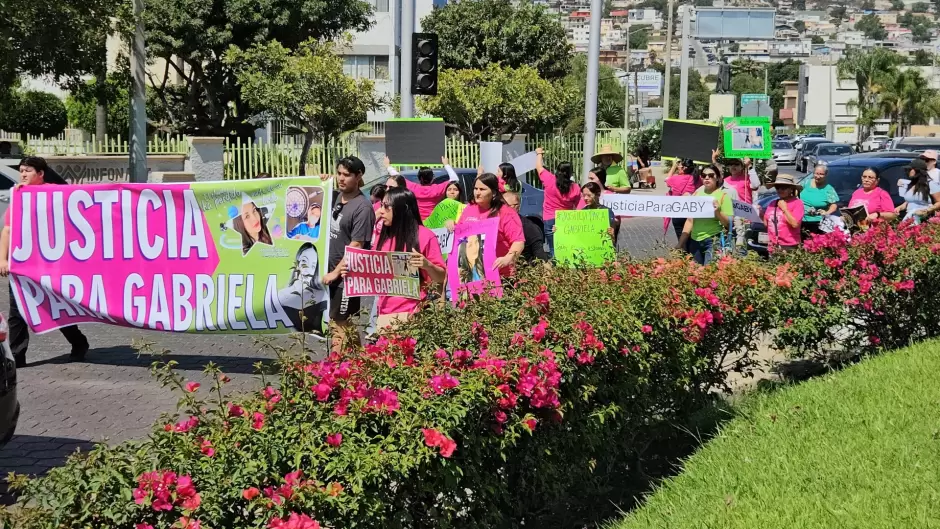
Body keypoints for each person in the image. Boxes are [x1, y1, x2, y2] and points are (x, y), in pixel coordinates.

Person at [0, 156, 90, 367]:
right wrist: (3, 258)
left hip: (49, 264)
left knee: (54, 306)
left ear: (40, 174)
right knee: (18, 310)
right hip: (22, 264)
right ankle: (17, 356)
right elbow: (7, 230)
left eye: (28, 170)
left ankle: (78, 343)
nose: (23, 174)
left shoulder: (55, 193)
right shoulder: (19, 196)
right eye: (21, 170)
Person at [341, 187, 446, 330]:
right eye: (381, 205)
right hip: (384, 314)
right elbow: (374, 272)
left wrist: (427, 265)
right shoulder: (382, 235)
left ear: (402, 209)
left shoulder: (425, 236)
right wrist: (352, 273)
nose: (381, 210)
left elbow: (441, 277)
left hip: (415, 315)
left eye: (386, 206)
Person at [322, 156, 376, 351]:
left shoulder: (362, 207)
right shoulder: (336, 196)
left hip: (346, 277)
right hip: (331, 272)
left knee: (339, 323)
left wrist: (335, 273)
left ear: (359, 175)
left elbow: (357, 245)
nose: (341, 178)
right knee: (343, 323)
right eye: (338, 173)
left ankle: (335, 369)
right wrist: (322, 183)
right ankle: (360, 361)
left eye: (346, 175)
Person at [456, 173, 525, 277]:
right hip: (473, 276)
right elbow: (460, 235)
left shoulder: (506, 213)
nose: (477, 193)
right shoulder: (469, 209)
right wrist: (451, 225)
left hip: (500, 275)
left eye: (482, 189)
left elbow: (518, 241)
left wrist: (508, 258)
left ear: (493, 193)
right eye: (475, 188)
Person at [676, 169, 732, 265]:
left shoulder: (723, 196)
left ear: (718, 178)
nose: (707, 178)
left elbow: (728, 223)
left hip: (712, 240)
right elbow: (690, 221)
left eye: (710, 175)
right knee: (695, 274)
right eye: (704, 175)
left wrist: (717, 212)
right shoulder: (697, 194)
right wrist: (680, 244)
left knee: (708, 273)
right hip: (695, 241)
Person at [535, 147, 581, 255]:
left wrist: (539, 153)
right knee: (568, 247)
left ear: (557, 170)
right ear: (570, 173)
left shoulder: (549, 179)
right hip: (567, 219)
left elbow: (538, 166)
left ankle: (556, 269)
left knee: (553, 249)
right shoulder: (575, 187)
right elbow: (579, 207)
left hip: (549, 218)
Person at [277, 243, 329, 333]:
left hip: (317, 344)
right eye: (304, 262)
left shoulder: (321, 294)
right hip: (290, 344)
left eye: (313, 266)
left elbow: (330, 323)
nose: (307, 269)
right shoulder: (281, 295)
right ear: (297, 262)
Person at [386, 156, 459, 220]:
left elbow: (398, 177)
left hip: (417, 222)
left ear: (419, 178)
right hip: (434, 221)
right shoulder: (437, 189)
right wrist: (446, 164)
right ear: (433, 178)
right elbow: (454, 179)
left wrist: (388, 166)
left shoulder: (413, 188)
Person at [762, 174, 805, 254]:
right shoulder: (773, 203)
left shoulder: (797, 203)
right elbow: (767, 224)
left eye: (783, 188)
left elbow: (795, 224)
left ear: (791, 189)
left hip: (789, 246)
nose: (780, 190)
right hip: (773, 245)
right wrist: (760, 213)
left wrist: (784, 209)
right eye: (778, 188)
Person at [503, 190, 550, 262]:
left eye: (505, 205)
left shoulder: (529, 228)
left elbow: (541, 257)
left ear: (517, 206)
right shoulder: (497, 223)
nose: (500, 209)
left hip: (521, 268)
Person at [896, 158, 940, 224]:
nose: (908, 171)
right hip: (909, 218)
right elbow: (909, 202)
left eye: (910, 169)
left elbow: (938, 202)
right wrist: (899, 208)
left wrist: (927, 210)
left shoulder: (930, 184)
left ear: (917, 171)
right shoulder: (912, 184)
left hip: (924, 219)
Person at [665, 159, 700, 240]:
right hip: (692, 211)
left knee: (680, 236)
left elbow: (667, 180)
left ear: (684, 168)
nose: (678, 167)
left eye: (679, 166)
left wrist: (673, 167)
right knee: (691, 237)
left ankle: (683, 251)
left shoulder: (676, 178)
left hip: (678, 212)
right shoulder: (697, 179)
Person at [801, 164, 839, 236]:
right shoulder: (805, 183)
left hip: (817, 222)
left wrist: (827, 212)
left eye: (821, 174)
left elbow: (833, 205)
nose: (818, 176)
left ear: (826, 175)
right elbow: (795, 194)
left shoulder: (828, 189)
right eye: (816, 173)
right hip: (801, 220)